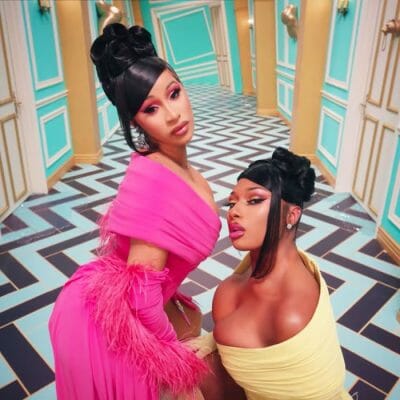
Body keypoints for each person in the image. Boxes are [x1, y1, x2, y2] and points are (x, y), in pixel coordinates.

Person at [49, 23, 221, 400]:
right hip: (105, 326)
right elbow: (143, 299)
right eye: (151, 108)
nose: (173, 115)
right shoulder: (155, 184)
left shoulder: (174, 166)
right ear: (134, 120)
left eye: (174, 93)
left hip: (124, 298)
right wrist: (176, 365)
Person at [211, 147, 352, 400]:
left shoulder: (291, 314)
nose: (233, 212)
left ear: (292, 214)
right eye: (232, 202)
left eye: (254, 200)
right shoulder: (230, 289)